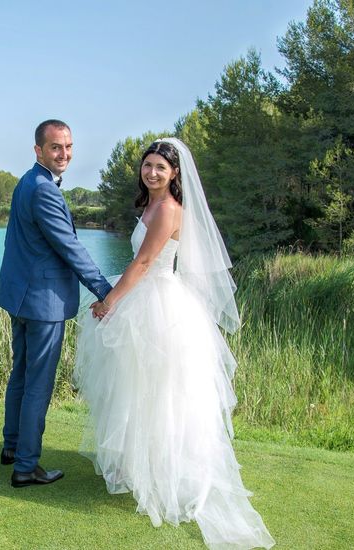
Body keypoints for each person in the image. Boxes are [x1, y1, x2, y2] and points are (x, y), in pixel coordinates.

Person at [75, 138, 275, 549]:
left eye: (159, 168)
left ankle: (166, 477)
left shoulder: (167, 209)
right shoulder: (150, 205)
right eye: (147, 166)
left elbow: (145, 263)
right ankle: (142, 468)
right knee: (139, 393)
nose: (151, 173)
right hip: (148, 300)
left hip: (160, 307)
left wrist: (110, 301)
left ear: (175, 174)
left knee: (164, 396)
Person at [0, 119, 113, 488]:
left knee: (21, 374)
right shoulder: (43, 190)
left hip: (22, 297)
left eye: (68, 147)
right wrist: (105, 290)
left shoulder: (28, 182)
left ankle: (13, 447)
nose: (64, 154)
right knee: (38, 384)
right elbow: (70, 247)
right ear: (38, 150)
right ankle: (27, 466)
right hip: (43, 303)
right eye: (55, 148)